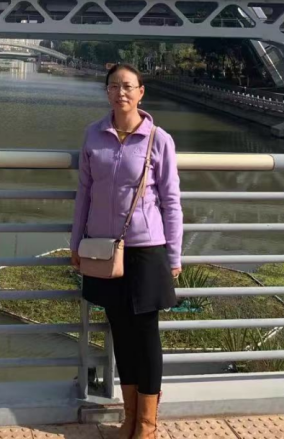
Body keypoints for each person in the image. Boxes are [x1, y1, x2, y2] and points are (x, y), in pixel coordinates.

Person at [71, 64, 183, 439]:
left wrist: (174, 255)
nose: (121, 92)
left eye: (128, 86)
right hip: (104, 250)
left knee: (146, 336)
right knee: (120, 331)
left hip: (147, 249)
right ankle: (130, 418)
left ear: (140, 92)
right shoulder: (93, 135)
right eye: (114, 86)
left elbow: (171, 201)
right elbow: (84, 193)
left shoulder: (158, 139)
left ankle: (147, 425)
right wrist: (76, 242)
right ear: (106, 92)